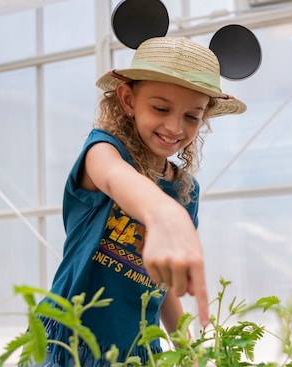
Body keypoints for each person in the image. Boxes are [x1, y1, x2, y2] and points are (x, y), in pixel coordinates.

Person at [30, 36, 247, 366]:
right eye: (161, 108)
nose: (175, 127)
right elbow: (117, 178)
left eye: (192, 116)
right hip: (72, 344)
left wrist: (186, 351)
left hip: (139, 354)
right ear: (128, 99)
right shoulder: (102, 151)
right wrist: (163, 213)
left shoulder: (186, 190)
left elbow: (162, 289)